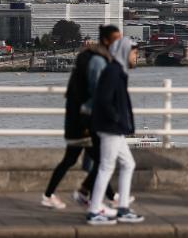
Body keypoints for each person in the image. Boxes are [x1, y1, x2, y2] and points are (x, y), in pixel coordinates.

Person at [42, 25, 123, 210]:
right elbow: (98, 92)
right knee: (101, 162)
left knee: (75, 160)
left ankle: (101, 196)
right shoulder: (98, 61)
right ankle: (96, 196)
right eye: (116, 39)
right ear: (106, 41)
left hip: (79, 118)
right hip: (84, 120)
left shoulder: (90, 57)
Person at [86, 37, 144, 225]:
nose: (137, 56)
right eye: (134, 52)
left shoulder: (117, 70)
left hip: (114, 127)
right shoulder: (113, 72)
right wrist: (117, 118)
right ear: (125, 52)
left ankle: (123, 208)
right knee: (106, 167)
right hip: (110, 128)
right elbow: (104, 100)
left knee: (128, 164)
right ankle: (94, 211)